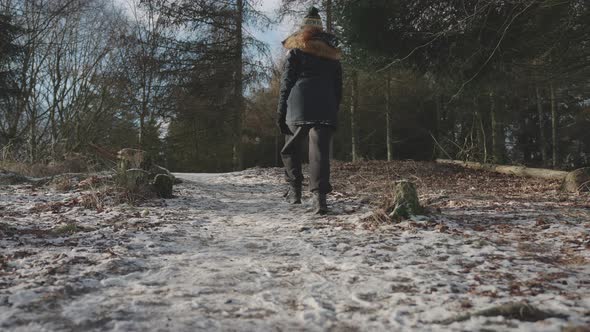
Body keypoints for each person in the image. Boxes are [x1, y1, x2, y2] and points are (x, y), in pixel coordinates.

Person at [276, 7, 343, 215]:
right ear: (321, 30)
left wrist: (281, 109)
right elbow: (338, 87)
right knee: (320, 153)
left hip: (299, 104)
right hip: (326, 106)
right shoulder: (333, 56)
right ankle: (319, 200)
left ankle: (294, 191)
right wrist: (333, 107)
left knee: (291, 147)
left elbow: (286, 82)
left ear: (303, 29)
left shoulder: (296, 51)